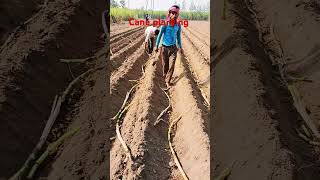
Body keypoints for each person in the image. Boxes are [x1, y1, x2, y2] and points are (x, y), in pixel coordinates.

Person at [155, 5, 183, 88]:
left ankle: (168, 81)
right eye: (172, 13)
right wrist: (156, 46)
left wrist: (180, 47)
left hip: (173, 48)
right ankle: (165, 76)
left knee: (172, 65)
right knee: (165, 65)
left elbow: (178, 37)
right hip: (164, 48)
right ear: (169, 13)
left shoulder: (178, 25)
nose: (174, 15)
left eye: (176, 13)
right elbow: (159, 35)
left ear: (178, 14)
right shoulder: (165, 24)